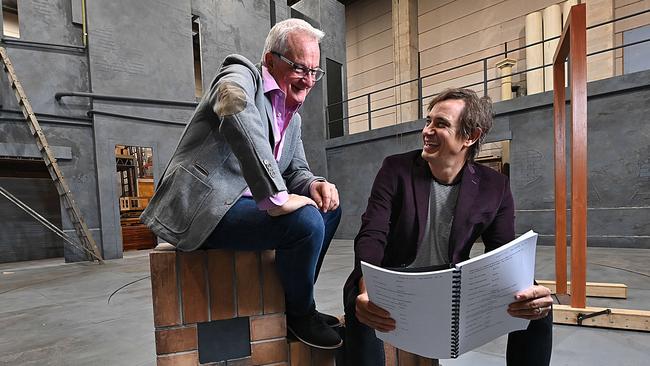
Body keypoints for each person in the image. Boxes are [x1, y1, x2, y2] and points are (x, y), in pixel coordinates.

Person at [141, 18, 343, 350]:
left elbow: (297, 171)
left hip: (248, 208)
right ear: (270, 61)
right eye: (299, 68)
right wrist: (277, 197)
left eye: (314, 72)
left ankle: (296, 307)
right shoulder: (240, 76)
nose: (308, 80)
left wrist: (315, 185)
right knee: (305, 222)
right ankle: (301, 315)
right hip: (204, 210)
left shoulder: (293, 118)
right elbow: (234, 105)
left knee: (327, 210)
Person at [343, 88, 553, 365]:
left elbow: (502, 252)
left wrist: (528, 291)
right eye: (428, 122)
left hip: (448, 285)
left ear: (471, 136)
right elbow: (373, 233)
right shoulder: (396, 169)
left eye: (440, 124)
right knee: (364, 311)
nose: (427, 131)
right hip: (393, 280)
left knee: (539, 310)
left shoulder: (495, 186)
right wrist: (368, 285)